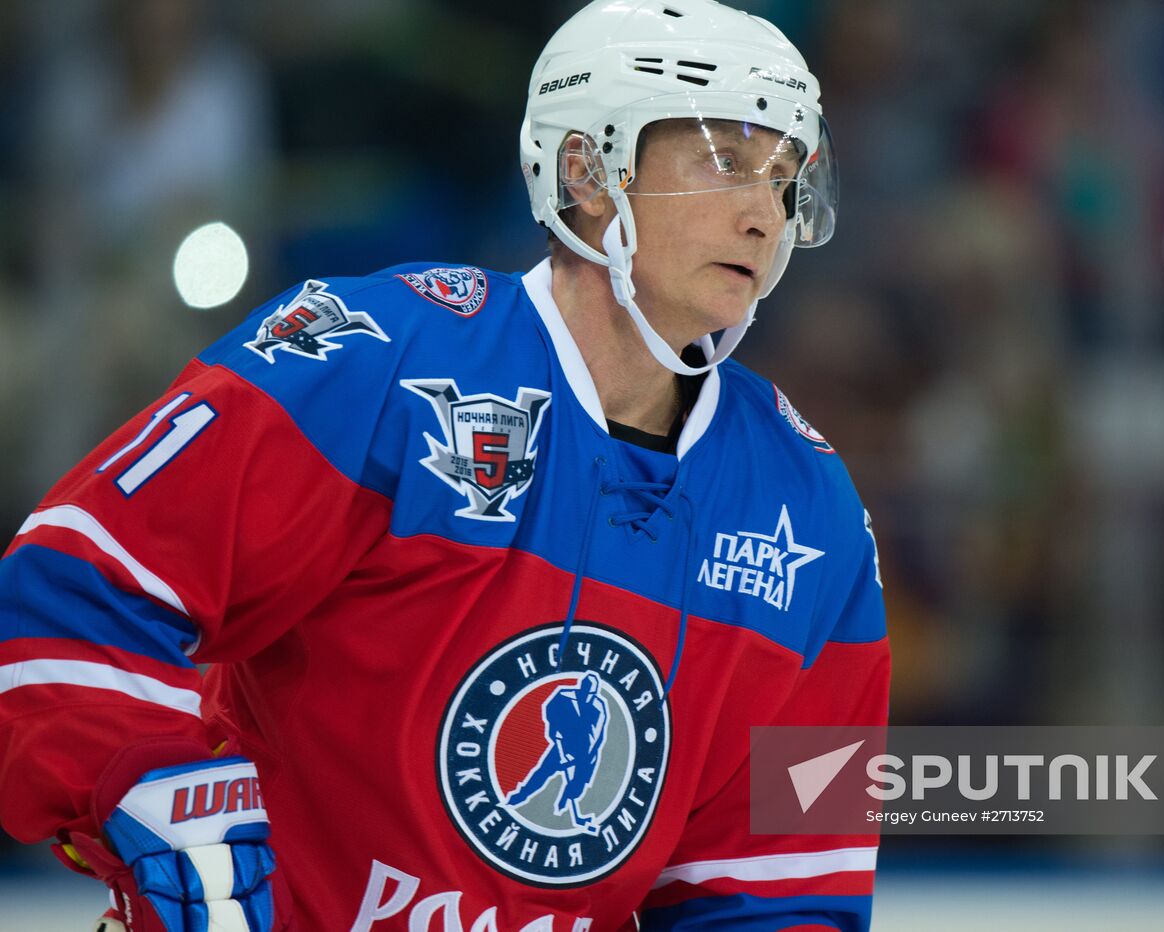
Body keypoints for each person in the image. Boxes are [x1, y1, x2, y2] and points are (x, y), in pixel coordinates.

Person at [0, 1, 889, 929]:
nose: (765, 215)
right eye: (727, 162)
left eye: (787, 179)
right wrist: (160, 797)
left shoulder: (812, 517)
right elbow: (66, 591)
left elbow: (786, 887)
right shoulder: (371, 361)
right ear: (588, 170)